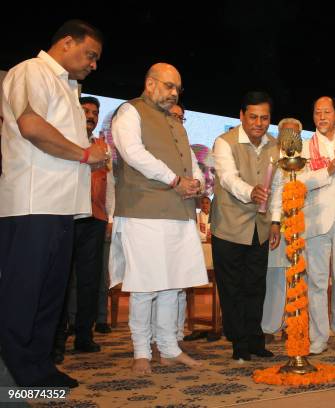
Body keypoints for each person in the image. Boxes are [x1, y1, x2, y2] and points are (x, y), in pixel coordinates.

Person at [0, 20, 106, 387]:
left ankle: (39, 366)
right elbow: (30, 125)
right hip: (32, 203)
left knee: (51, 295)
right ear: (65, 42)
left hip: (62, 206)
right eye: (90, 54)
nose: (94, 64)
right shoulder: (32, 70)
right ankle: (14, 373)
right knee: (24, 293)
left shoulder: (69, 87)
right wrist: (84, 154)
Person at [110, 63, 207, 374]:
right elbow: (133, 153)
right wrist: (174, 180)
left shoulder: (176, 122)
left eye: (177, 88)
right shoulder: (130, 112)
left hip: (178, 213)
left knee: (173, 283)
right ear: (150, 84)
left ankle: (168, 348)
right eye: (168, 86)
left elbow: (191, 162)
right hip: (143, 211)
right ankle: (141, 351)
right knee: (145, 284)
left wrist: (198, 182)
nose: (173, 93)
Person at [271, 96, 335, 355]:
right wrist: (328, 171)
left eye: (327, 112)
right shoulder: (304, 146)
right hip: (317, 220)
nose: (322, 117)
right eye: (317, 113)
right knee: (316, 281)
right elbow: (299, 181)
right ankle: (318, 337)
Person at [211, 91, 278, 361]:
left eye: (264, 118)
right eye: (253, 117)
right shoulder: (224, 142)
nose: (258, 123)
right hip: (228, 226)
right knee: (232, 287)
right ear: (241, 116)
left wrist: (275, 221)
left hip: (259, 228)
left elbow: (281, 186)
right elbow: (228, 178)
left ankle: (254, 339)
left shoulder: (275, 145)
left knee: (256, 286)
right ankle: (238, 342)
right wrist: (251, 192)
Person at [53, 96, 116, 363]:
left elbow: (110, 184)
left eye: (94, 112)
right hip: (67, 218)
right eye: (86, 111)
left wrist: (110, 217)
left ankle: (84, 336)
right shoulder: (63, 142)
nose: (90, 116)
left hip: (95, 219)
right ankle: (57, 341)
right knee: (62, 280)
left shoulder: (103, 148)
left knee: (91, 280)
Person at [261, 118, 302, 340]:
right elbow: (272, 193)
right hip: (277, 226)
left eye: (294, 133)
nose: (290, 137)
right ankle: (269, 327)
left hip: (302, 228)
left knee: (297, 278)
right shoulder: (271, 159)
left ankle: (292, 325)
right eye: (285, 133)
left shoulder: (305, 160)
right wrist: (274, 221)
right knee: (274, 277)